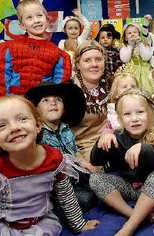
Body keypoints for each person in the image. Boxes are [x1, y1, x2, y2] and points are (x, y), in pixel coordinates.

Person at [0, 95, 99, 235]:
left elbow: (65, 196)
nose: (14, 128)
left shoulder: (55, 160)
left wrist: (79, 225)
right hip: (1, 228)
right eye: (2, 125)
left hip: (39, 226)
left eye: (22, 119)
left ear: (38, 125)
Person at [89, 89, 154, 236]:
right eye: (127, 114)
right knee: (95, 178)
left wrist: (144, 148)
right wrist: (101, 142)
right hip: (127, 188)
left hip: (152, 192)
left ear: (150, 114)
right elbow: (95, 161)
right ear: (120, 119)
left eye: (140, 112)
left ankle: (129, 227)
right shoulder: (117, 136)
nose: (134, 119)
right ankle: (136, 215)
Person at [24, 82, 98, 212]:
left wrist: (85, 163)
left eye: (58, 99)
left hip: (75, 174)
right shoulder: (37, 135)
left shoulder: (66, 128)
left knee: (100, 180)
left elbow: (75, 152)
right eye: (45, 100)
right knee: (85, 199)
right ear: (36, 110)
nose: (53, 103)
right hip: (54, 183)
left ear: (64, 108)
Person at [0, 0, 71, 97]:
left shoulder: (58, 54)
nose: (36, 20)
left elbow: (58, 87)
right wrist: (5, 104)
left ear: (47, 19)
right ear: (22, 25)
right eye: (29, 18)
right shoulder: (9, 48)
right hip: (16, 102)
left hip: (42, 104)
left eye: (39, 15)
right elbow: (2, 80)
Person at [71, 40, 112, 162]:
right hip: (82, 150)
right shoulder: (69, 91)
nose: (94, 64)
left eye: (98, 59)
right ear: (78, 64)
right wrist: (80, 162)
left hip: (111, 141)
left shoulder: (111, 83)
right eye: (87, 60)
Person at [120, 23, 154, 95]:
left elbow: (146, 57)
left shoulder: (144, 45)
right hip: (131, 71)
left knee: (147, 90)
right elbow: (125, 59)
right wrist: (131, 45)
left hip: (145, 72)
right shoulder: (125, 48)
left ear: (139, 34)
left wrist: (140, 44)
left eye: (135, 32)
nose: (132, 34)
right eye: (129, 33)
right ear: (126, 38)